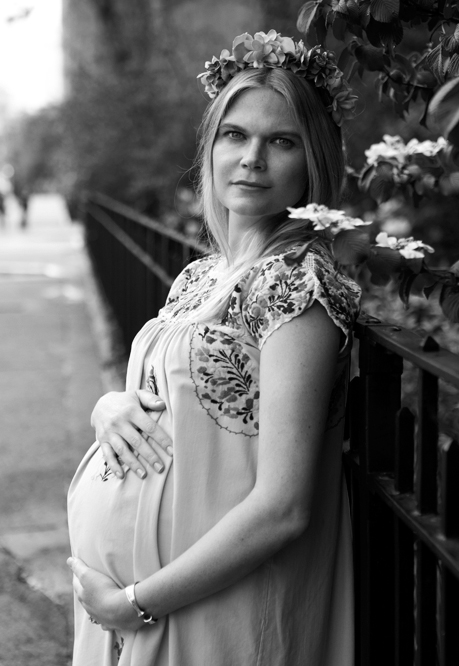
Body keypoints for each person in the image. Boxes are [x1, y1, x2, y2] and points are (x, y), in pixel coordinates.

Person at [66, 31, 361, 664]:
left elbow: (283, 507)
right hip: (144, 603)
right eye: (236, 135)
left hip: (212, 609)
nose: (253, 158)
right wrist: (108, 408)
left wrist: (136, 602)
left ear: (313, 161)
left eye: (281, 141)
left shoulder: (299, 287)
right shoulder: (203, 275)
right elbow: (168, 403)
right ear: (211, 148)